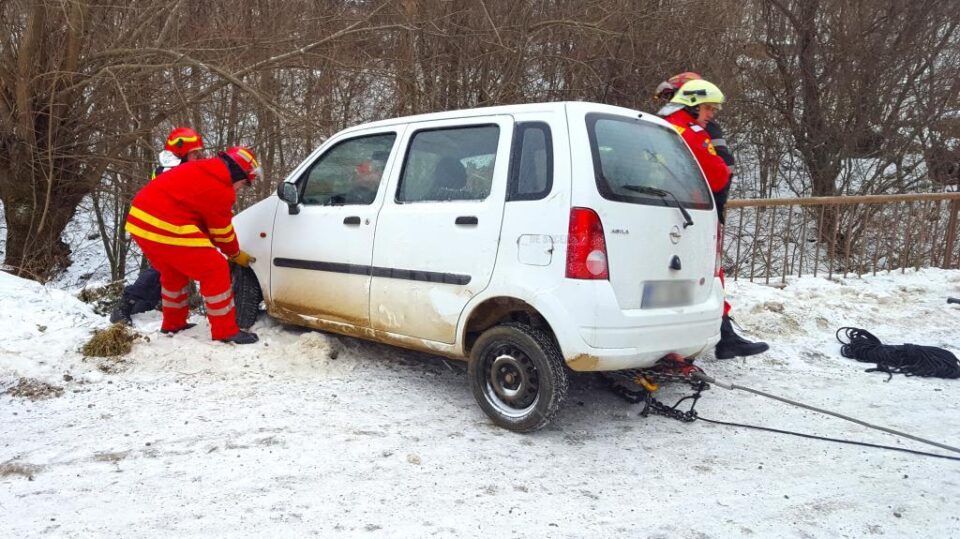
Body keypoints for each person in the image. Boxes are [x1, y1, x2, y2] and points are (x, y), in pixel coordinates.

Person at [658, 77, 769, 359]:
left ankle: (699, 336)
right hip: (692, 212)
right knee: (708, 273)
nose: (711, 115)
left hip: (656, 209)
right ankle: (723, 337)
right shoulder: (691, 131)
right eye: (709, 109)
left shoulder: (658, 125)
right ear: (693, 105)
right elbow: (719, 174)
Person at [123, 146, 261, 344]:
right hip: (164, 225)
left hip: (139, 222)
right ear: (237, 174)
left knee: (173, 272)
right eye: (244, 183)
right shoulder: (221, 189)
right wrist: (235, 253)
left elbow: (202, 222)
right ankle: (225, 331)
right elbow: (221, 232)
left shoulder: (201, 169)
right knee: (215, 268)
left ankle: (173, 323)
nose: (241, 187)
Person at [111, 127, 206, 324]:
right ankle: (125, 304)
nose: (198, 156)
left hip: (167, 226)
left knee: (168, 268)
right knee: (163, 267)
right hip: (160, 226)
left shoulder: (175, 168)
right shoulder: (172, 172)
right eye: (195, 153)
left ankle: (142, 306)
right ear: (183, 153)